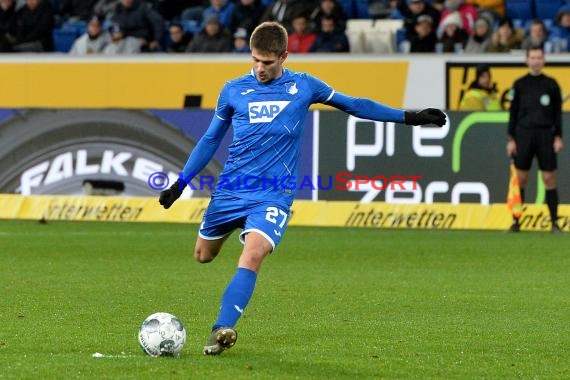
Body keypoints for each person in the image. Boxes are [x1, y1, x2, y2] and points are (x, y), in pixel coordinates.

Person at [158, 21, 447, 355]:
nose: (260, 68)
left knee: (253, 254)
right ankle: (221, 285)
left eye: (267, 62)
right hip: (231, 191)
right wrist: (180, 183)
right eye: (255, 60)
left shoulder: (304, 86)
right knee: (203, 256)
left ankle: (221, 329)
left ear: (284, 56)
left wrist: (408, 117)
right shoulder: (233, 90)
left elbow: (355, 104)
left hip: (273, 195)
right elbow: (210, 139)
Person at [506, 46, 564, 233]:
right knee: (521, 179)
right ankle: (516, 222)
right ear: (527, 60)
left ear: (544, 60)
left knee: (549, 177)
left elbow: (557, 114)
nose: (536, 60)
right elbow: (512, 114)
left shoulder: (552, 84)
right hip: (523, 134)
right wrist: (511, 139)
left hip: (546, 134)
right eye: (533, 57)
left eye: (539, 57)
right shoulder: (519, 84)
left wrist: (558, 137)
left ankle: (554, 223)